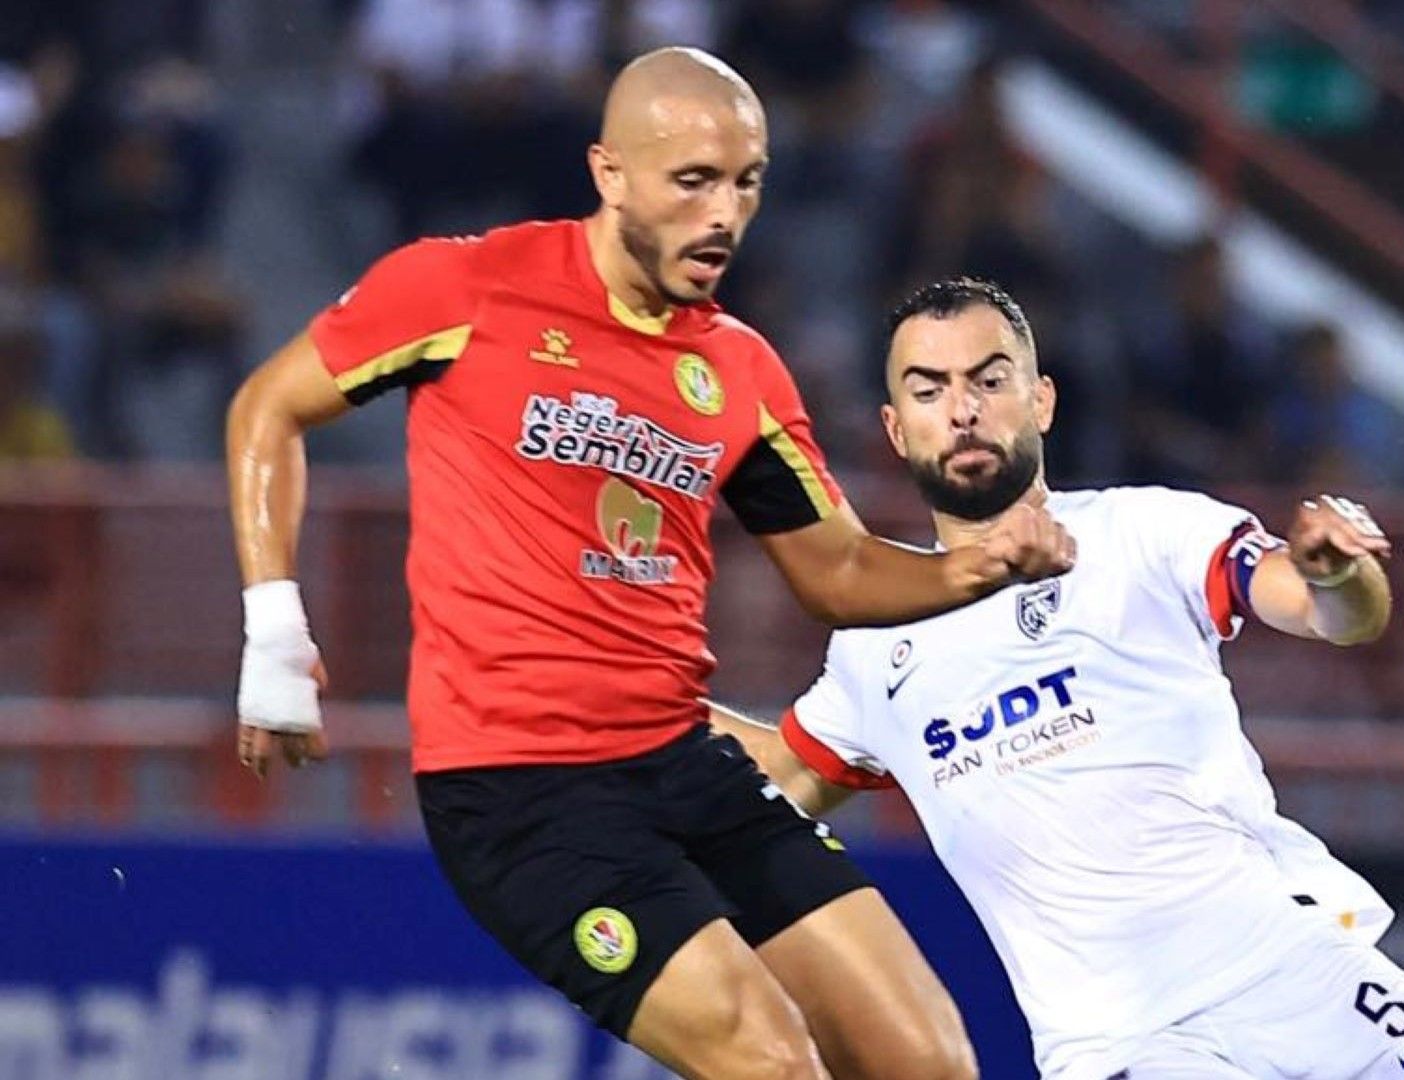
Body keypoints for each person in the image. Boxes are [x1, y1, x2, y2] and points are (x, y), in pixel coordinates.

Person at [225, 49, 1075, 1080]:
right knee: (771, 1064)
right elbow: (268, 409)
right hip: (522, 795)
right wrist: (275, 636)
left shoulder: (740, 368)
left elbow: (836, 568)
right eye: (694, 182)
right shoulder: (463, 288)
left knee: (930, 1061)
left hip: (682, 762)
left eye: (748, 182)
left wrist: (979, 565)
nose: (725, 213)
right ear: (609, 172)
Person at [713, 277, 1404, 1080]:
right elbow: (774, 778)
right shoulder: (875, 646)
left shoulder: (1144, 531)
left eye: (989, 379)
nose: (963, 410)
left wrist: (1335, 573)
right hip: (1121, 1045)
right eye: (929, 390)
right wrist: (612, 691)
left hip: (1285, 964)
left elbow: (1332, 612)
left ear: (1040, 399)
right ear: (897, 431)